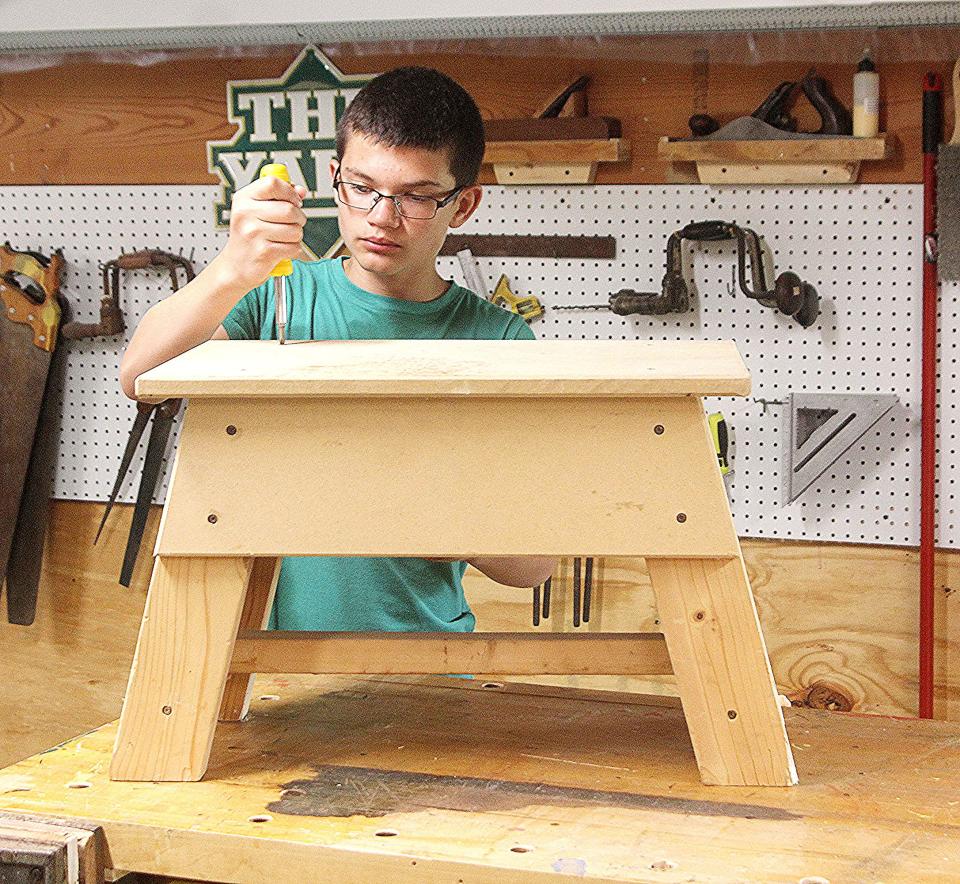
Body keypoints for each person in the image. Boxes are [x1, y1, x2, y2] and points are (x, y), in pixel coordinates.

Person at [120, 65, 557, 632]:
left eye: (416, 197)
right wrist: (230, 269)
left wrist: (431, 517)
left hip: (427, 665)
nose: (381, 217)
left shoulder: (500, 341)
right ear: (334, 177)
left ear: (464, 205)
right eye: (362, 188)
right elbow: (139, 377)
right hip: (266, 663)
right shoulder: (276, 300)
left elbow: (535, 564)